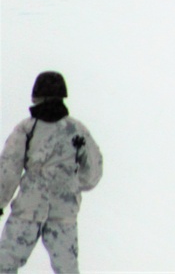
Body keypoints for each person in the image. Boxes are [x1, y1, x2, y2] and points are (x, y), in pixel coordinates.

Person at [0, 72, 103, 273]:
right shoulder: (76, 130)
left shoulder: (26, 129)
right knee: (67, 269)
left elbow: (9, 169)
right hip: (63, 213)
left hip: (28, 210)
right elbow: (94, 168)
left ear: (36, 96)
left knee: (5, 264)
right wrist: (72, 186)